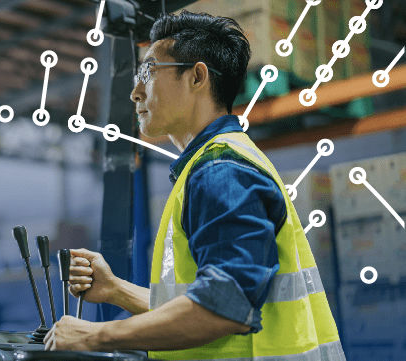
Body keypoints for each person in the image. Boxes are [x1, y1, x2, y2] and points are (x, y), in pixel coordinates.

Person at [43, 11, 345, 360]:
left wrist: (95, 335)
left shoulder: (221, 171)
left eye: (149, 72)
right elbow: (200, 299)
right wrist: (117, 290)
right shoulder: (214, 164)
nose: (136, 92)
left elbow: (224, 305)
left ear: (197, 76)